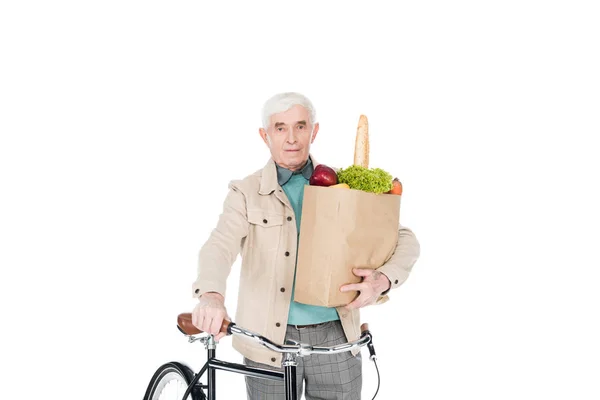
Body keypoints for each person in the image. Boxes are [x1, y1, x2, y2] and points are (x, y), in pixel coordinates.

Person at [191, 92, 420, 399]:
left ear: (314, 131)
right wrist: (211, 295)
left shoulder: (344, 187)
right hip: (268, 341)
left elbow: (403, 238)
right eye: (280, 128)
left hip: (335, 339)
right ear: (265, 135)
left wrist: (382, 280)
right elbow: (219, 245)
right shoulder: (246, 193)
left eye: (300, 126)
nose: (291, 138)